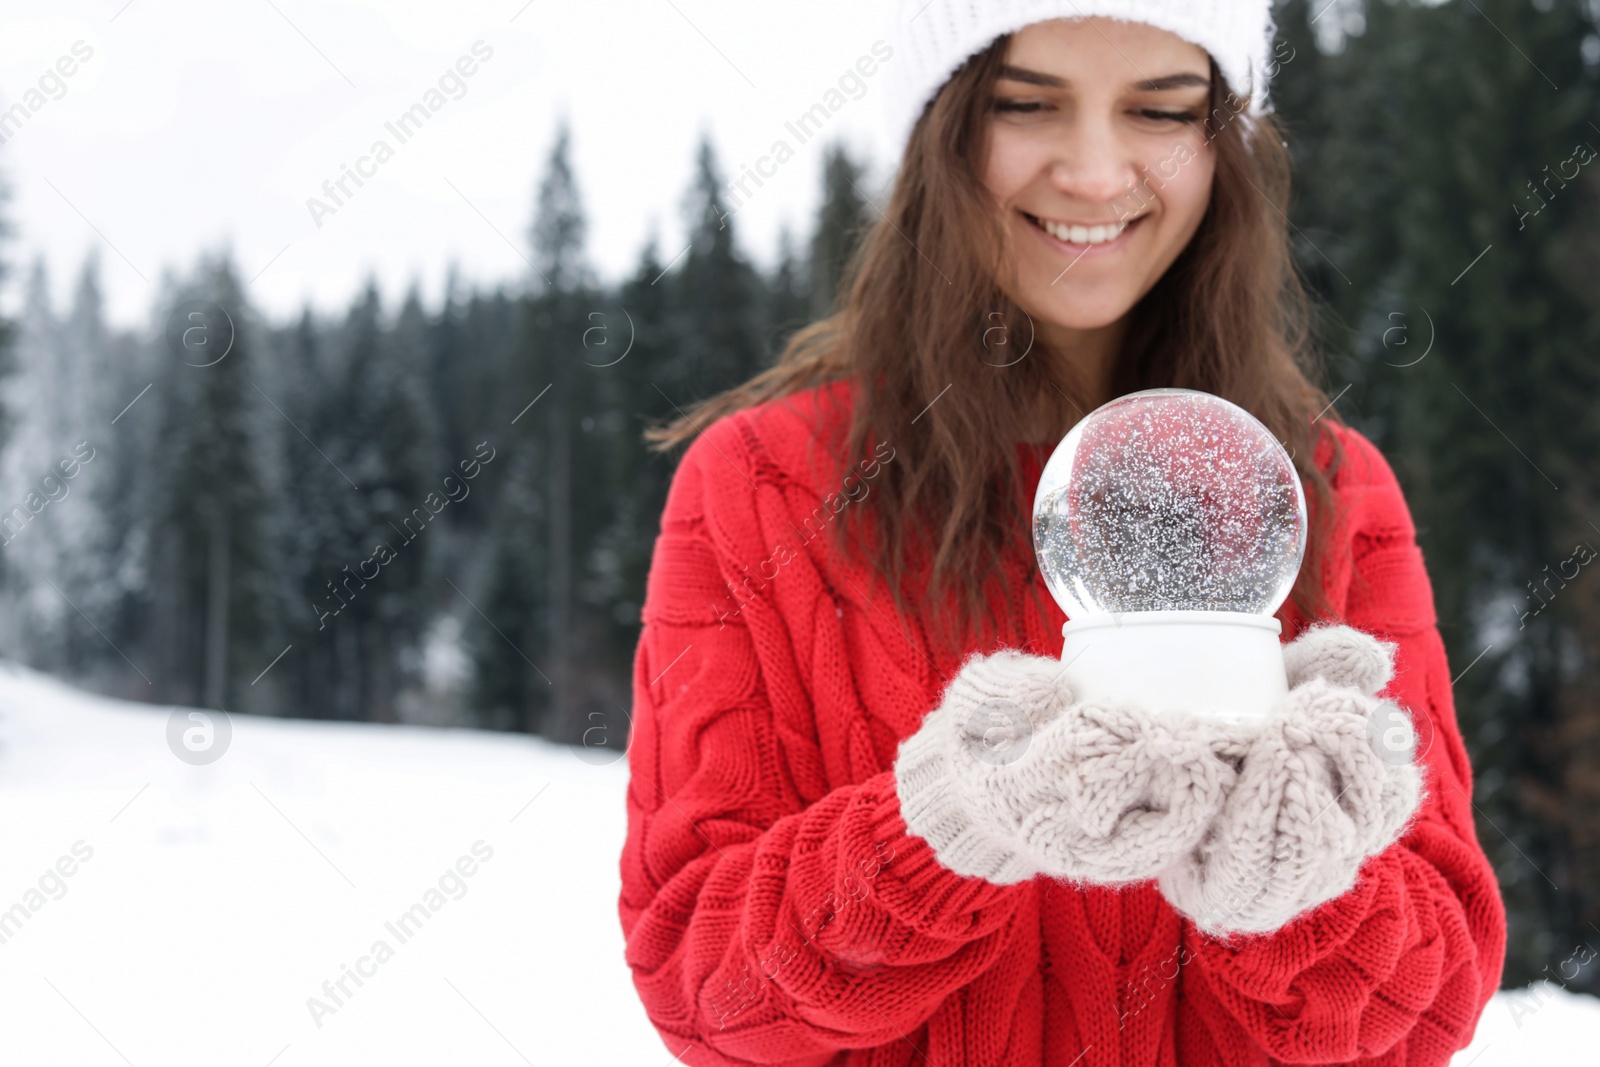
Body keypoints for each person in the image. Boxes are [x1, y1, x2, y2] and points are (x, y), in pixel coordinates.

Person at [617, 2, 1507, 1064]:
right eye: (1027, 105)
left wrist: (1300, 884)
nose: (1093, 174)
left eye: (1161, 111)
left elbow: (1432, 1005)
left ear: (1221, 142)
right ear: (937, 129)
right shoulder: (762, 485)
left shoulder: (1327, 491)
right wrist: (945, 827)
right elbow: (702, 989)